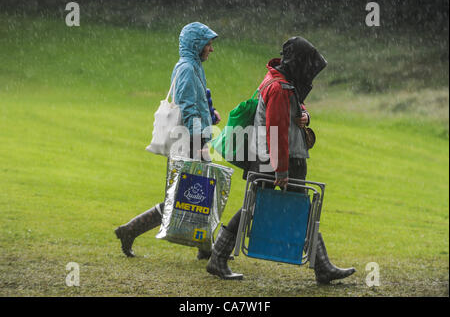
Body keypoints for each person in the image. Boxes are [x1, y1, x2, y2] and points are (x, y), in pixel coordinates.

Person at [206, 36, 356, 284]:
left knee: (269, 206)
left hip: (273, 159)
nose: (310, 72)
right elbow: (276, 132)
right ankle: (322, 266)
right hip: (278, 160)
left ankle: (219, 257)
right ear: (298, 62)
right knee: (264, 207)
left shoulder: (280, 80)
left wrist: (305, 115)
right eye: (308, 65)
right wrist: (282, 170)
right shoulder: (279, 87)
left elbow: (295, 107)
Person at [115, 22, 221, 260]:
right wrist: (200, 139)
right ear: (197, 45)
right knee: (186, 197)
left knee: (198, 194)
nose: (211, 50)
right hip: (189, 142)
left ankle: (205, 248)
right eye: (208, 44)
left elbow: (198, 103)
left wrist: (210, 117)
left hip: (194, 139)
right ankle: (130, 230)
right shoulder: (186, 68)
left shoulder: (194, 67)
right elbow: (186, 106)